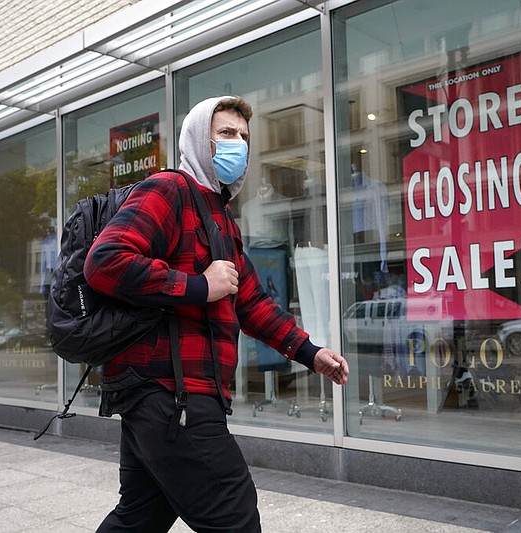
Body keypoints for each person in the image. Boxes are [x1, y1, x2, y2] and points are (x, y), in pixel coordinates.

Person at [84, 95, 349, 532]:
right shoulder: (169, 190)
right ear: (197, 140)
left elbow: (250, 302)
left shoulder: (221, 216)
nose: (238, 144)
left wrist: (310, 353)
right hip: (171, 390)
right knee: (235, 514)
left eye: (244, 137)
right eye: (226, 133)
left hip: (169, 391)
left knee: (140, 517)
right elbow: (105, 261)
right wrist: (198, 286)